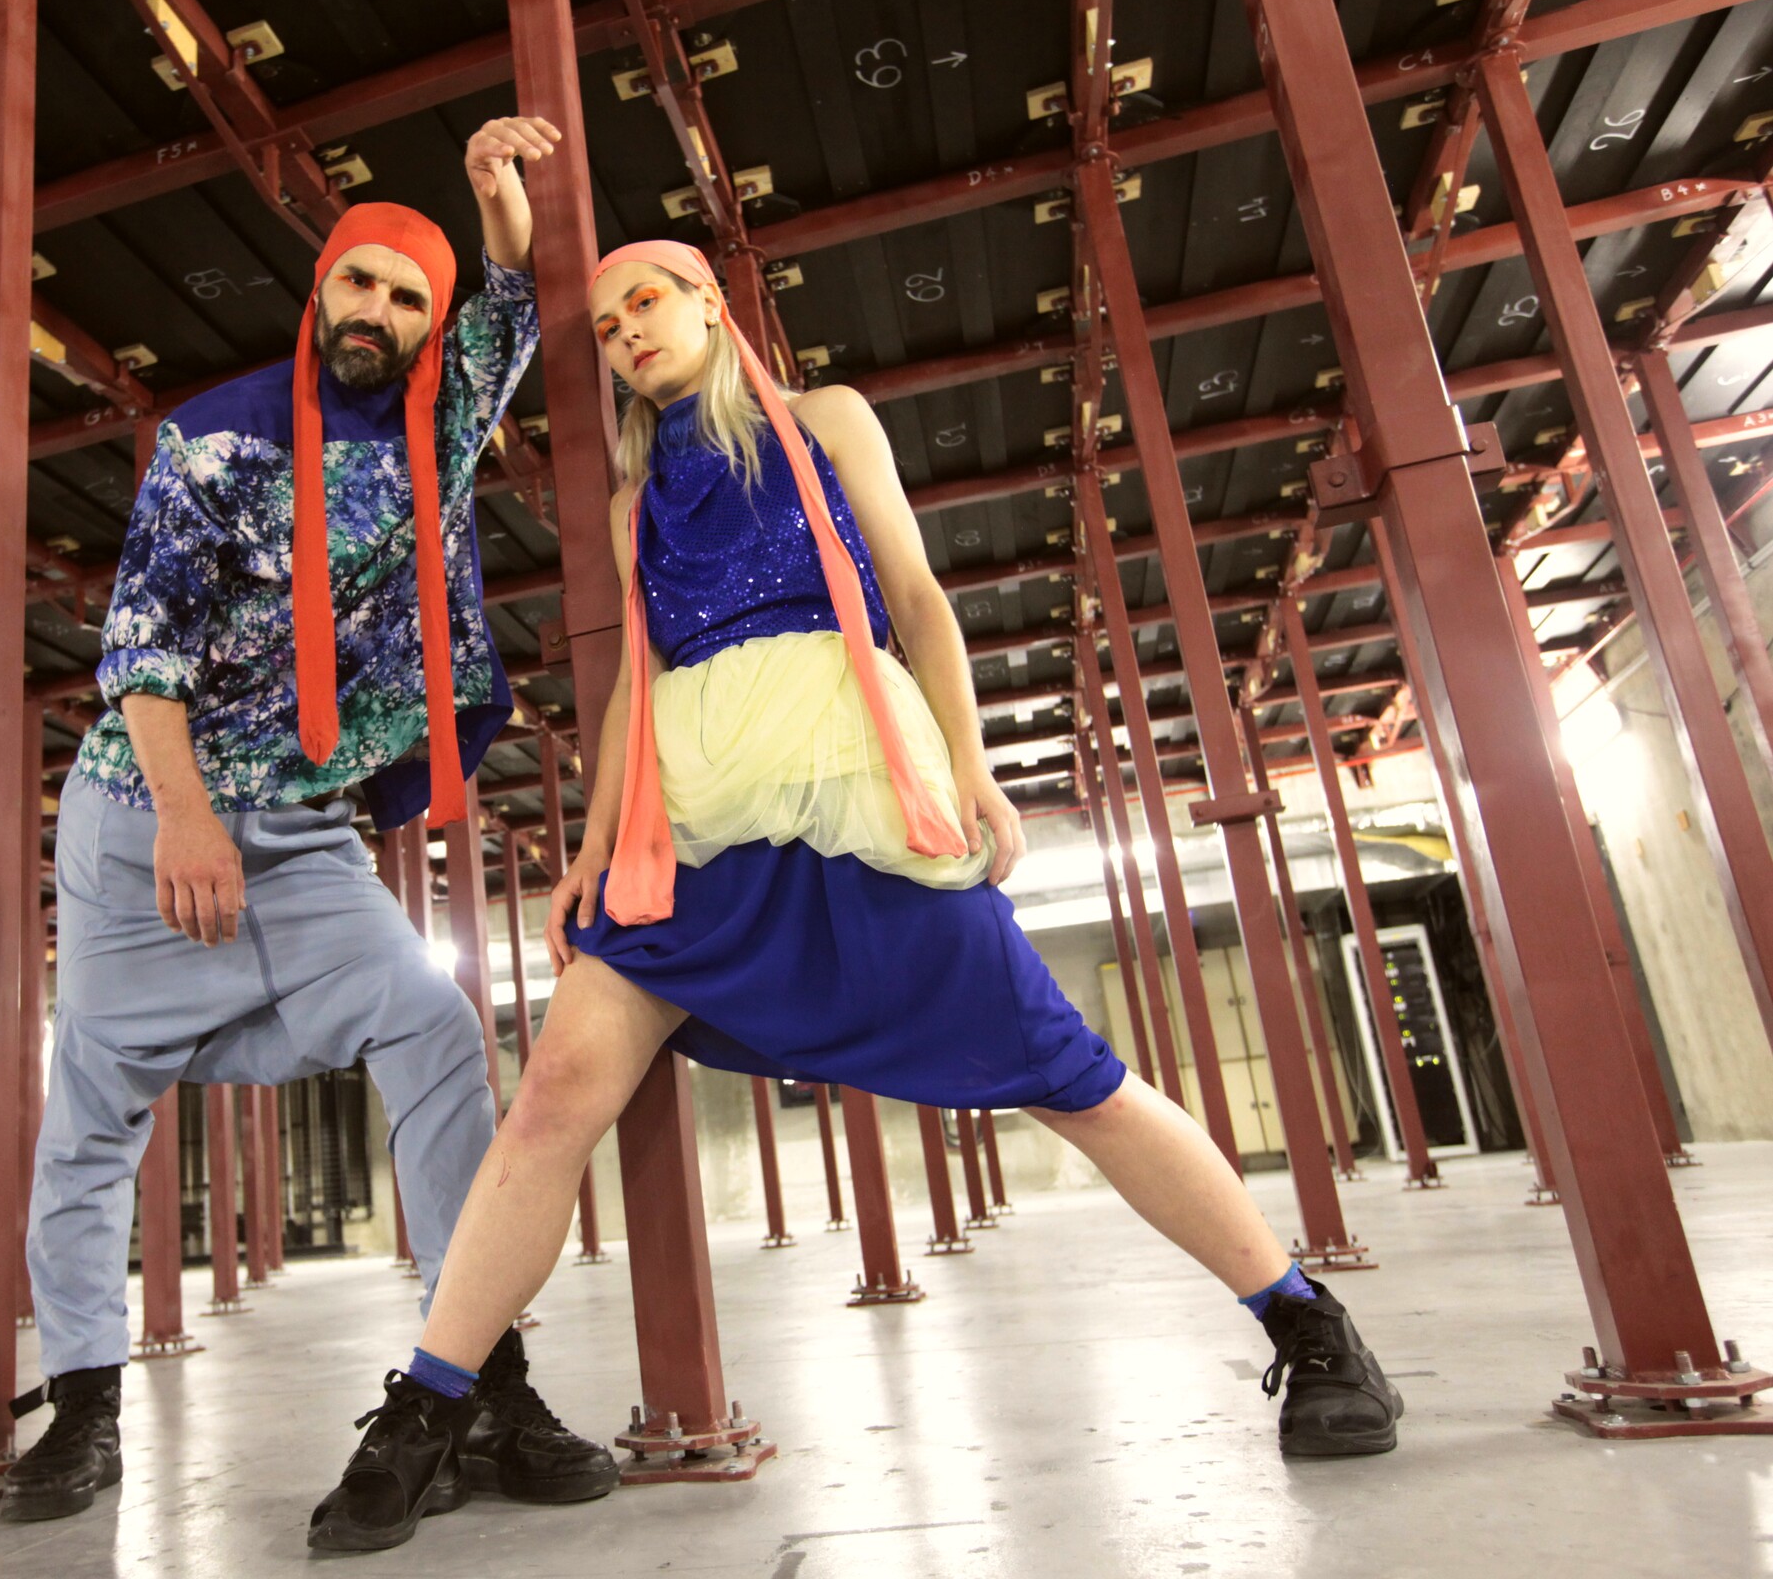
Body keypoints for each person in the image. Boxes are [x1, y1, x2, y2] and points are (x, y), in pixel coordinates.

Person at [306, 239, 1405, 1552]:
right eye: (602, 326)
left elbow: (918, 601)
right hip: (698, 826)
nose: (626, 334)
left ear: (709, 303)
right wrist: (594, 846)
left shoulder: (824, 420)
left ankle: (1307, 1323)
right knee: (550, 1096)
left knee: (1074, 1081)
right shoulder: (634, 495)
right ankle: (427, 1410)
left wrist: (972, 769)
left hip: (860, 797)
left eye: (645, 302)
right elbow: (636, 684)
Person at [5, 118, 619, 1525]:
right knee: (94, 1106)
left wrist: (494, 193)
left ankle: (476, 1383)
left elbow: (514, 298)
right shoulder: (212, 441)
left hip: (299, 828)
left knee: (434, 1024)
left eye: (405, 298)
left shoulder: (442, 421)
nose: (377, 312)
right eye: (359, 283)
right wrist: (183, 817)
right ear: (319, 290)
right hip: (145, 814)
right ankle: (84, 1407)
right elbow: (143, 651)